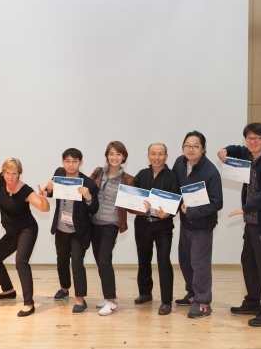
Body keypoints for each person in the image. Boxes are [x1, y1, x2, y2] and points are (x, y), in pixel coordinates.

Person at [0, 130, 49, 317]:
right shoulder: (0, 180)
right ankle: (8, 290)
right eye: (7, 173)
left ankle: (29, 303)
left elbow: (44, 209)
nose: (10, 177)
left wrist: (43, 198)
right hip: (11, 233)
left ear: (19, 173)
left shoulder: (26, 190)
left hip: (27, 230)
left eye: (14, 173)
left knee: (21, 261)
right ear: (4, 173)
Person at [218, 122, 261, 327]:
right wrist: (225, 150)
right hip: (251, 223)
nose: (252, 142)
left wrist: (245, 208)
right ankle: (253, 302)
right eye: (249, 138)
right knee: (248, 261)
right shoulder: (247, 155)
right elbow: (236, 149)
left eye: (257, 138)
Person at [172, 130, 223, 319]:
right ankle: (192, 293)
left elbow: (217, 203)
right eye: (187, 145)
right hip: (185, 223)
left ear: (203, 149)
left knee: (199, 263)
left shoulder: (211, 172)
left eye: (195, 146)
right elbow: (174, 189)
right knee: (185, 260)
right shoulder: (179, 163)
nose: (190, 149)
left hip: (202, 225)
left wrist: (192, 211)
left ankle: (203, 302)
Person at [44, 148, 99, 315]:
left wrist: (88, 198)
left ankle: (80, 299)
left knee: (76, 263)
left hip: (79, 231)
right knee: (61, 260)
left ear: (81, 163)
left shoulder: (88, 183)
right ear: (63, 162)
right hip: (61, 227)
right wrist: (49, 189)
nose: (71, 165)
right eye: (67, 161)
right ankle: (64, 288)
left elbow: (94, 208)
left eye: (74, 161)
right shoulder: (59, 173)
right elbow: (50, 193)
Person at [133, 143, 179, 315]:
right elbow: (133, 196)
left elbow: (177, 200)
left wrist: (169, 213)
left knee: (163, 261)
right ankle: (145, 292)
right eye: (153, 154)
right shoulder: (141, 174)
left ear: (166, 156)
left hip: (163, 226)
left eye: (160, 154)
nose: (156, 157)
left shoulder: (172, 176)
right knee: (143, 259)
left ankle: (166, 301)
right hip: (142, 223)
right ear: (148, 156)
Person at [90, 141, 136, 316]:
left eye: (118, 154)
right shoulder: (98, 172)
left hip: (111, 224)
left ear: (123, 157)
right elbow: (87, 190)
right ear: (107, 156)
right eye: (111, 154)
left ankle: (112, 301)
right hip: (94, 223)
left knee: (104, 261)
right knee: (100, 261)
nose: (114, 157)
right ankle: (107, 296)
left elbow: (132, 204)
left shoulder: (128, 179)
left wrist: (146, 206)